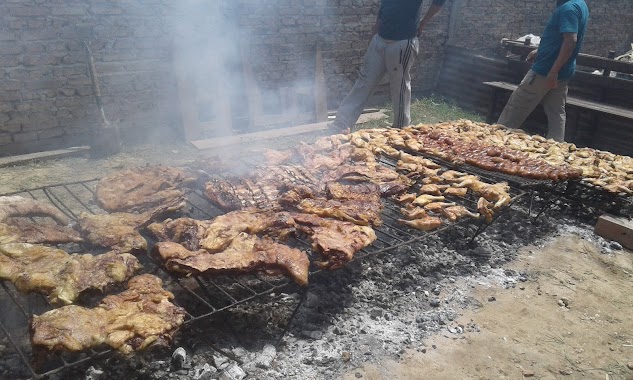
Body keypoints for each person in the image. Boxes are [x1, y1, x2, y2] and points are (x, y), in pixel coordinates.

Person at [329, 0, 447, 133]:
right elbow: (382, 11)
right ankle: (342, 123)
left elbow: (439, 2)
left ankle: (401, 131)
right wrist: (373, 37)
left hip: (402, 42)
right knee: (364, 81)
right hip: (379, 39)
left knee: (400, 88)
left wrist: (422, 24)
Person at [497, 0, 589, 142]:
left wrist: (553, 71)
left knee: (517, 104)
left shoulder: (568, 9)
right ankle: (557, 149)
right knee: (556, 112)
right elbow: (559, 38)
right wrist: (540, 50)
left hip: (546, 71)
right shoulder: (579, 4)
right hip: (563, 70)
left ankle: (495, 139)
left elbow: (570, 40)